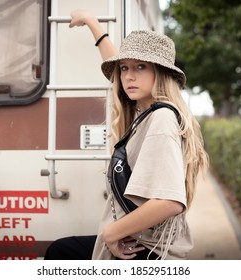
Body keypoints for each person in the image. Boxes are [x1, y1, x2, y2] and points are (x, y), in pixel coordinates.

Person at [44, 9, 209, 260]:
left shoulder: (161, 118)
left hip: (145, 250)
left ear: (160, 73)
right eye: (124, 68)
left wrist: (111, 233)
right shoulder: (145, 112)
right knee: (61, 250)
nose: (128, 76)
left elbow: (169, 201)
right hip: (142, 242)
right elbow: (118, 72)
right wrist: (93, 23)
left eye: (141, 67)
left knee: (60, 253)